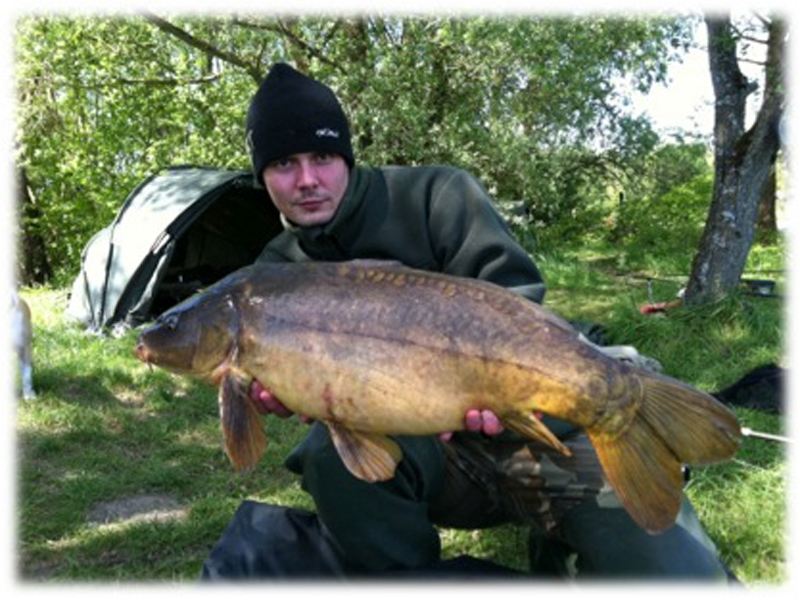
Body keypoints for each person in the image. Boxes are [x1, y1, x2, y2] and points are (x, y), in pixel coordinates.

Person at [217, 62, 733, 580]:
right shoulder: (271, 277)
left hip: (541, 425)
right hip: (433, 457)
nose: (307, 180)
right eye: (283, 163)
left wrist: (489, 384)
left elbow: (517, 302)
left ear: (346, 156)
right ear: (262, 175)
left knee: (680, 578)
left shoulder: (436, 194)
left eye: (323, 157)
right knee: (326, 457)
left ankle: (575, 515)